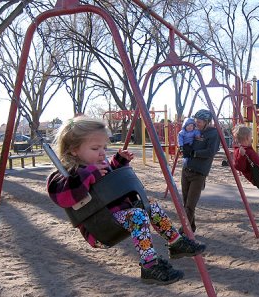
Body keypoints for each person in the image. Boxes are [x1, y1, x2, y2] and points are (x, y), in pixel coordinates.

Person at [46, 116, 206, 285]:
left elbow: (112, 183)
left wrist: (118, 162)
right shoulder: (65, 175)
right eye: (95, 148)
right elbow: (62, 196)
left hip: (120, 216)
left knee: (149, 205)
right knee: (137, 215)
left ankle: (175, 242)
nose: (102, 152)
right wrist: (88, 174)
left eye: (104, 147)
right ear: (73, 150)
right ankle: (149, 266)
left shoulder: (101, 164)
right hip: (100, 228)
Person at [180, 109, 221, 233]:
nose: (196, 123)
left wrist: (194, 153)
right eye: (196, 120)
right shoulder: (193, 130)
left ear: (207, 122)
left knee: (190, 205)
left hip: (199, 173)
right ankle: (191, 228)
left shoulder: (213, 134)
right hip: (186, 169)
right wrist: (183, 148)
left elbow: (211, 151)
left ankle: (185, 231)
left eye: (199, 121)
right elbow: (186, 140)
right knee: (185, 202)